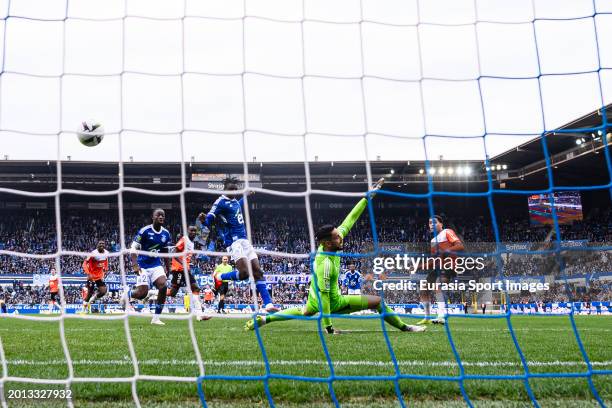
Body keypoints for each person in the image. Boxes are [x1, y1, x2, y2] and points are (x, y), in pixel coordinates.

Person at [245, 178, 425, 334]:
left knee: (304, 311)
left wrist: (366, 197)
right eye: (337, 236)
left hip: (313, 295)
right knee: (377, 302)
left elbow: (350, 219)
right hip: (331, 301)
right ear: (327, 243)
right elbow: (325, 300)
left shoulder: (332, 244)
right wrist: (329, 327)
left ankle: (264, 320)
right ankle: (405, 328)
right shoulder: (326, 264)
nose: (341, 236)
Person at [197, 178, 278, 312]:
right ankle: (220, 276)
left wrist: (246, 196)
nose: (234, 192)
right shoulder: (220, 202)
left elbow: (237, 206)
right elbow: (210, 217)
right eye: (231, 190)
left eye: (236, 190)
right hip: (233, 242)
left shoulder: (235, 201)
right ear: (225, 190)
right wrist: (204, 220)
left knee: (258, 271)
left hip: (245, 240)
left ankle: (268, 304)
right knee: (245, 273)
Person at [124, 208, 173, 325]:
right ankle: (127, 295)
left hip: (156, 264)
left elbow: (165, 253)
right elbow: (133, 248)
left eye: (163, 215)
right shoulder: (144, 231)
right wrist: (135, 265)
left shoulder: (166, 234)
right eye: (158, 215)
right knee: (142, 294)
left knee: (163, 286)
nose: (161, 217)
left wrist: (168, 267)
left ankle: (156, 318)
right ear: (153, 217)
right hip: (143, 265)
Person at [417, 215, 464, 325]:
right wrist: (420, 266)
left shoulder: (447, 232)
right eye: (429, 223)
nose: (432, 225)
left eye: (434, 222)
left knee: (438, 285)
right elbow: (435, 260)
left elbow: (460, 246)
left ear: (441, 224)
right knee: (424, 290)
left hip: (449, 265)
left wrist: (445, 252)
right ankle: (427, 318)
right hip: (438, 267)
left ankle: (441, 316)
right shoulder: (433, 241)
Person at [166, 226, 208, 321]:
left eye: (194, 231)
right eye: (191, 230)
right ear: (187, 231)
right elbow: (174, 252)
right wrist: (182, 264)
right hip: (179, 270)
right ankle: (152, 293)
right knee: (172, 293)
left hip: (185, 270)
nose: (193, 232)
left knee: (196, 288)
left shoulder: (192, 243)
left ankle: (199, 314)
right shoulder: (184, 240)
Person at [82, 240, 109, 313]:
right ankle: (83, 311)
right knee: (89, 293)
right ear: (97, 245)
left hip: (99, 276)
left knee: (103, 291)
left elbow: (106, 260)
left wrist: (106, 268)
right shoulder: (93, 253)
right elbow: (84, 263)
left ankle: (91, 300)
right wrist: (88, 273)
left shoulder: (106, 253)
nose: (101, 245)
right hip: (92, 276)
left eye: (103, 244)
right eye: (100, 243)